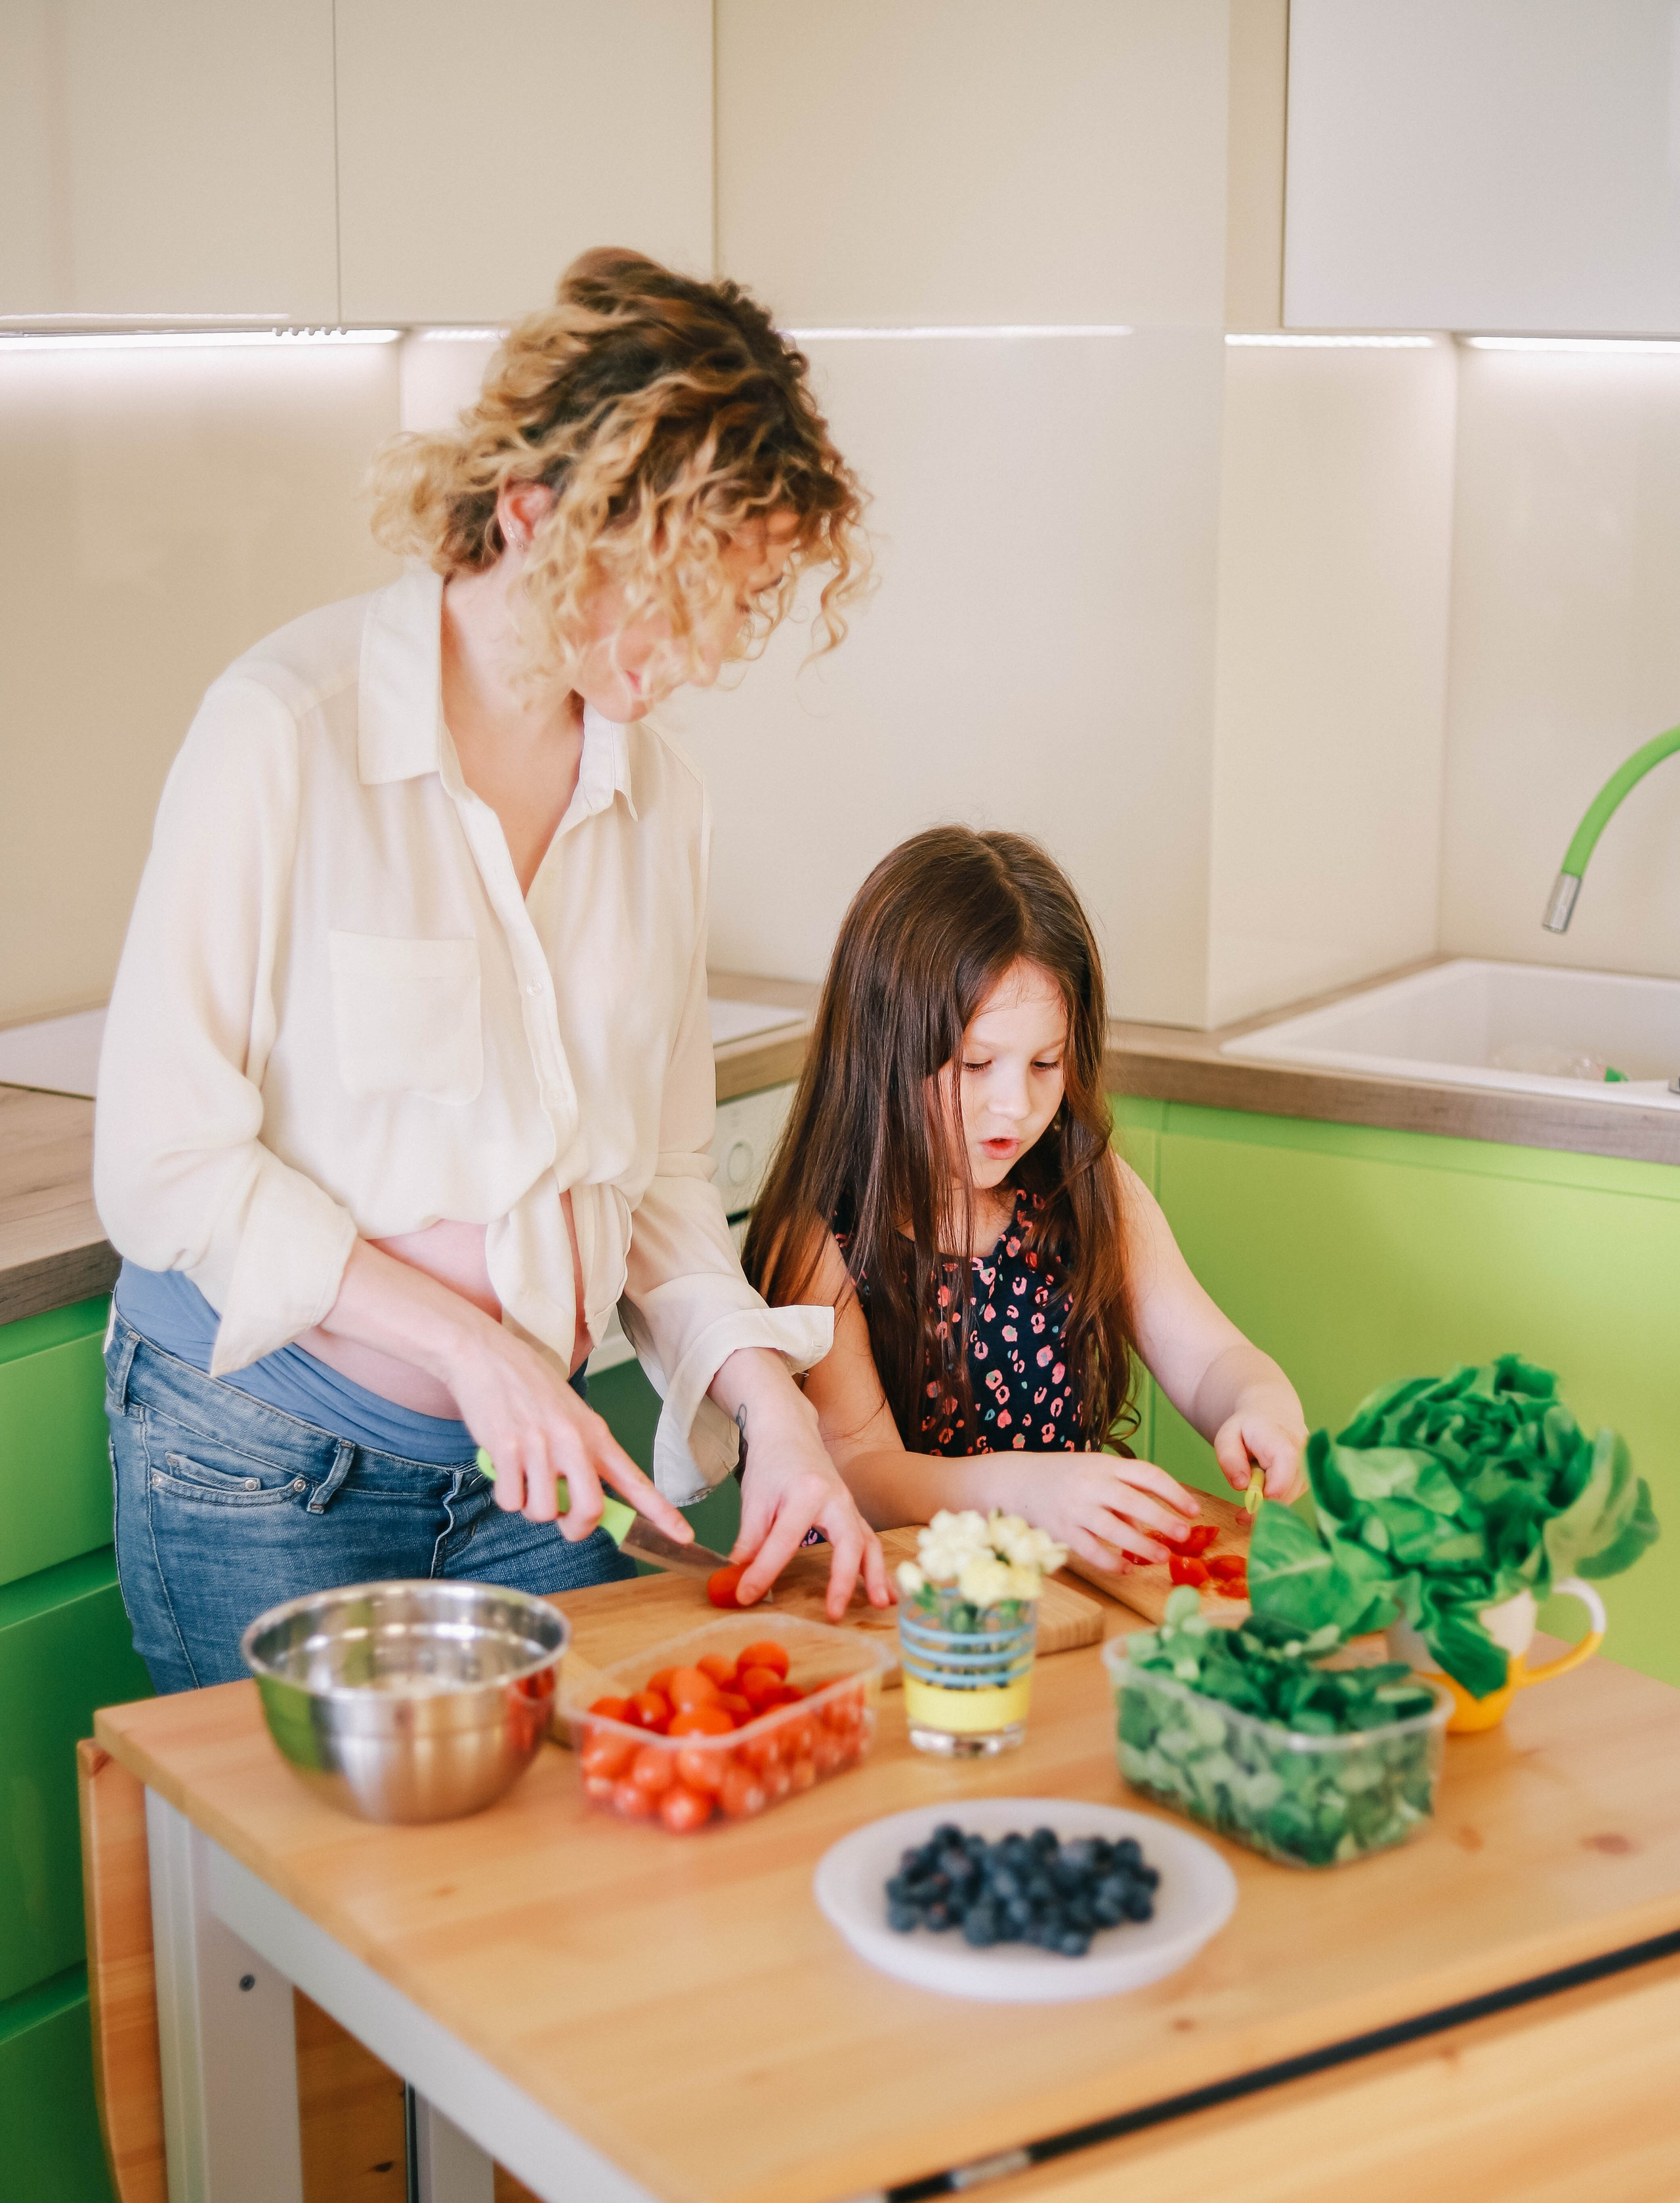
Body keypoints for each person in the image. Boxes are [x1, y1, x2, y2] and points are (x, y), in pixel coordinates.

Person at [96, 249, 891, 1694]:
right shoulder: (285, 732)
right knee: (293, 1905)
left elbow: (652, 1182)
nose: (703, 649)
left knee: (556, 1898)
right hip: (270, 1471)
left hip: (536, 1470)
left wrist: (769, 1408)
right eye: (668, 591)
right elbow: (157, 1164)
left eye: (731, 598)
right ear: (531, 512)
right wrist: (474, 1351)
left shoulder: (661, 801)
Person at [742, 827, 1309, 1569]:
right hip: (872, 1603)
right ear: (884, 1050)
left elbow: (1209, 1360)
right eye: (975, 1064)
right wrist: (1022, 1493)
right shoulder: (817, 1237)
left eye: (1046, 1063)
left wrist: (1261, 1404)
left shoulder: (1085, 1188)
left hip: (1048, 1598)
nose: (1014, 1105)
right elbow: (862, 1471)